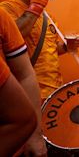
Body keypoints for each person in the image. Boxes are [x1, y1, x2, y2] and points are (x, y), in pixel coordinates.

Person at [0, 0, 79, 100]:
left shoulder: (48, 17)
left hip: (54, 91)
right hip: (27, 90)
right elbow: (11, 39)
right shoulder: (6, 8)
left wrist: (67, 47)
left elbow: (50, 49)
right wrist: (36, 7)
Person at [0, 8, 44, 156]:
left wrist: (35, 136)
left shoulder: (1, 16)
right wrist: (34, 9)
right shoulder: (9, 7)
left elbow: (25, 74)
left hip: (16, 140)